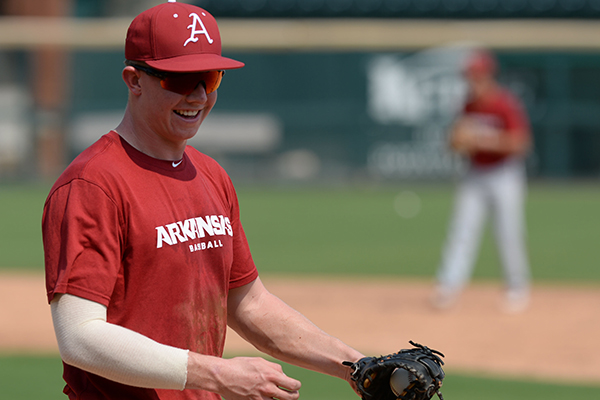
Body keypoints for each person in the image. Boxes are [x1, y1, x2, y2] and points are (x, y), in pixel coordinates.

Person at [42, 2, 364, 399]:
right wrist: (217, 374)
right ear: (134, 80)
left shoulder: (210, 175)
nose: (197, 95)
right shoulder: (93, 185)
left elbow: (248, 304)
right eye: (178, 79)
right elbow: (80, 337)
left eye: (209, 78)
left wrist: (355, 366)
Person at [432, 48, 532, 313]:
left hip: (504, 174)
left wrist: (484, 140)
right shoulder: (467, 104)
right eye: (469, 76)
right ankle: (448, 286)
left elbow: (521, 143)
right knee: (462, 230)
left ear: (489, 76)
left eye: (477, 76)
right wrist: (458, 140)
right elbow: (452, 142)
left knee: (508, 232)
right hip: (475, 173)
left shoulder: (504, 103)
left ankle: (517, 287)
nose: (472, 81)